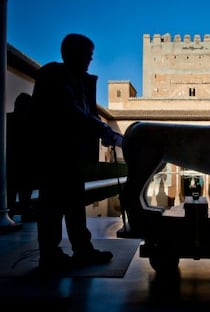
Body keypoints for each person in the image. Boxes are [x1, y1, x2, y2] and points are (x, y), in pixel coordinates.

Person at [31, 33, 123, 271]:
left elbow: (85, 115)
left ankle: (82, 250)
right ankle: (50, 255)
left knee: (73, 204)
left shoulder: (78, 81)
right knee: (53, 206)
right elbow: (71, 112)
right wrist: (104, 131)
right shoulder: (54, 75)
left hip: (72, 154)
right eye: (88, 55)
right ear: (73, 53)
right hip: (55, 153)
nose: (90, 60)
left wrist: (100, 132)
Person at [7, 92, 35, 220]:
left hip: (11, 160)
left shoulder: (7, 119)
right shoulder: (32, 122)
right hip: (26, 160)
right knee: (25, 188)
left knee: (11, 189)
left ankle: (10, 211)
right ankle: (24, 211)